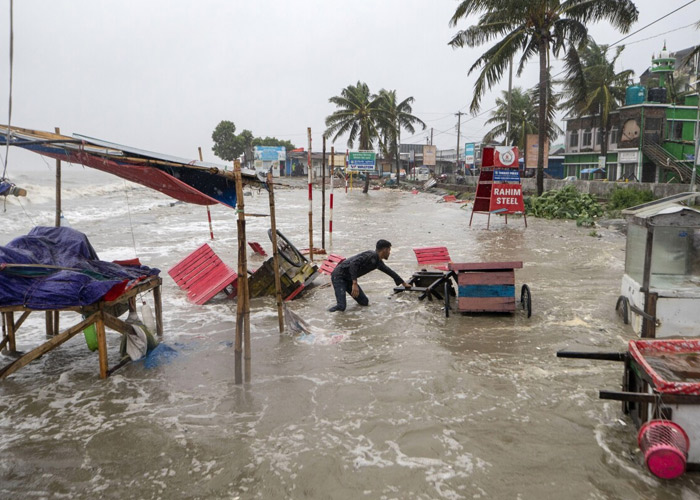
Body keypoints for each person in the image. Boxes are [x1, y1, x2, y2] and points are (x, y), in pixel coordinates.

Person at [328, 239, 411, 312]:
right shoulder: (370, 255)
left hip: (349, 278)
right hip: (339, 276)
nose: (389, 252)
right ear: (385, 250)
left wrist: (404, 284)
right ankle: (326, 316)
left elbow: (390, 272)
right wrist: (354, 283)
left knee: (364, 302)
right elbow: (353, 264)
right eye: (389, 250)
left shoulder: (378, 262)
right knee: (341, 307)